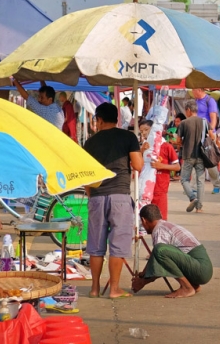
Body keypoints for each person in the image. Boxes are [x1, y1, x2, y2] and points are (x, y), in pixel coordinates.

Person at [83, 102, 143, 299]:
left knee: (96, 245)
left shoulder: (90, 142)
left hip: (97, 196)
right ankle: (115, 289)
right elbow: (138, 165)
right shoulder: (128, 137)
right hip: (120, 196)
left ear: (99, 120)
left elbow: (86, 175)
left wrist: (91, 196)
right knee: (118, 243)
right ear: (117, 118)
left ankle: (94, 288)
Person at [132, 205, 213, 298]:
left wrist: (142, 282)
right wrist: (143, 274)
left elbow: (159, 260)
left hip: (201, 269)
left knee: (159, 250)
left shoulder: (159, 230)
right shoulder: (165, 225)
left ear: (144, 220)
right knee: (160, 251)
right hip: (201, 268)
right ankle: (193, 285)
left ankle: (186, 287)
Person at [139, 120, 180, 220]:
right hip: (145, 190)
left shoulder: (166, 147)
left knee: (160, 219)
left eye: (146, 130)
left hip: (160, 189)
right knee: (144, 220)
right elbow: (136, 165)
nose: (144, 133)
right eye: (141, 131)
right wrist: (141, 151)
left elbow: (177, 166)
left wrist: (161, 166)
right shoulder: (143, 147)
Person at [177, 100, 211, 211]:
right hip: (201, 155)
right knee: (200, 181)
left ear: (188, 110)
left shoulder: (184, 123)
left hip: (188, 155)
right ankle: (199, 208)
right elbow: (211, 136)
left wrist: (181, 144)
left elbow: (178, 140)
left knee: (184, 179)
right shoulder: (204, 121)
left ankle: (192, 198)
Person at [191, 89, 220, 193]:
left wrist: (210, 132)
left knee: (210, 161)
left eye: (193, 90)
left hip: (208, 134)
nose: (192, 91)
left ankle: (216, 184)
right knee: (196, 160)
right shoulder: (195, 101)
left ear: (199, 90)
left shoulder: (210, 100)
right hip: (197, 134)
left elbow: (213, 119)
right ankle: (194, 187)